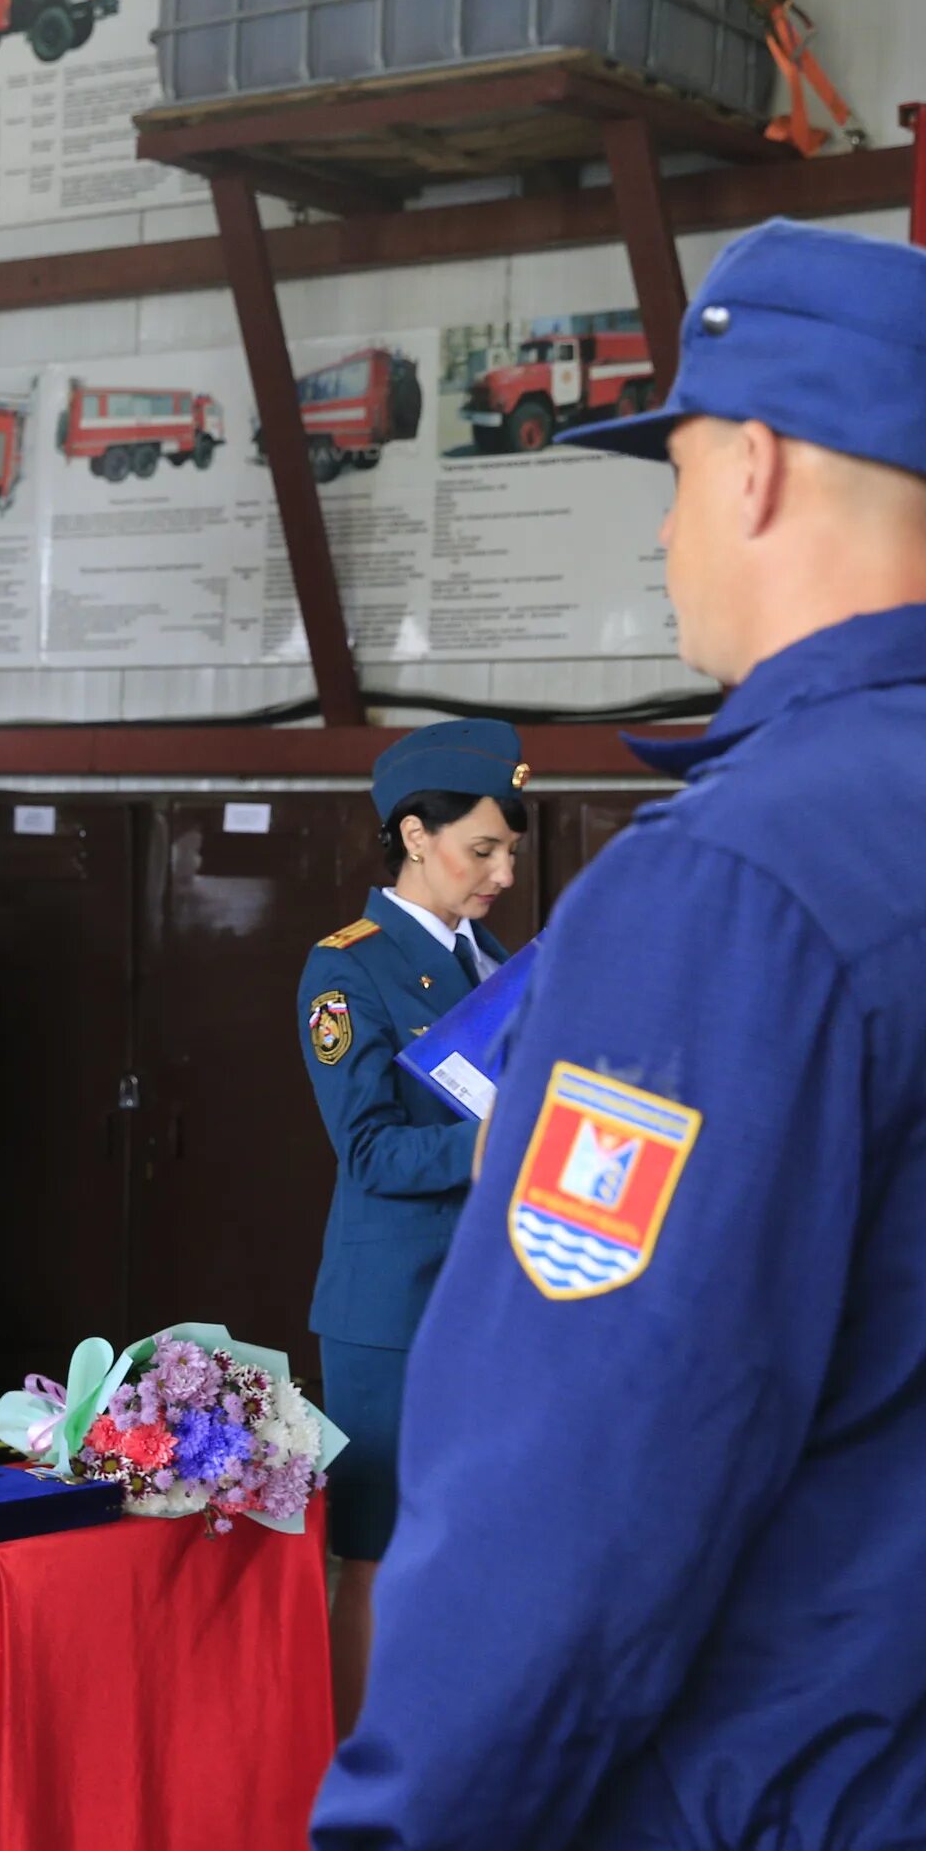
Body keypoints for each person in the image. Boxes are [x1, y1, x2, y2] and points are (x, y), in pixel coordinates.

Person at [304, 219, 926, 1851]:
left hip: (752, 1836)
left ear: (761, 467)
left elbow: (580, 1485)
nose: (671, 530)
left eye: (681, 474)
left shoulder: (723, 884)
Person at [295, 718, 527, 1736]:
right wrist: (490, 1147)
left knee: (477, 1546)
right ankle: (371, 1803)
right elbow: (374, 1151)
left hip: (489, 1297)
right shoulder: (348, 969)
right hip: (392, 1310)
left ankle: (452, 1778)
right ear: (416, 834)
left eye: (511, 850)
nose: (503, 872)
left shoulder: (500, 959)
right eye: (484, 848)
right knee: (382, 1551)